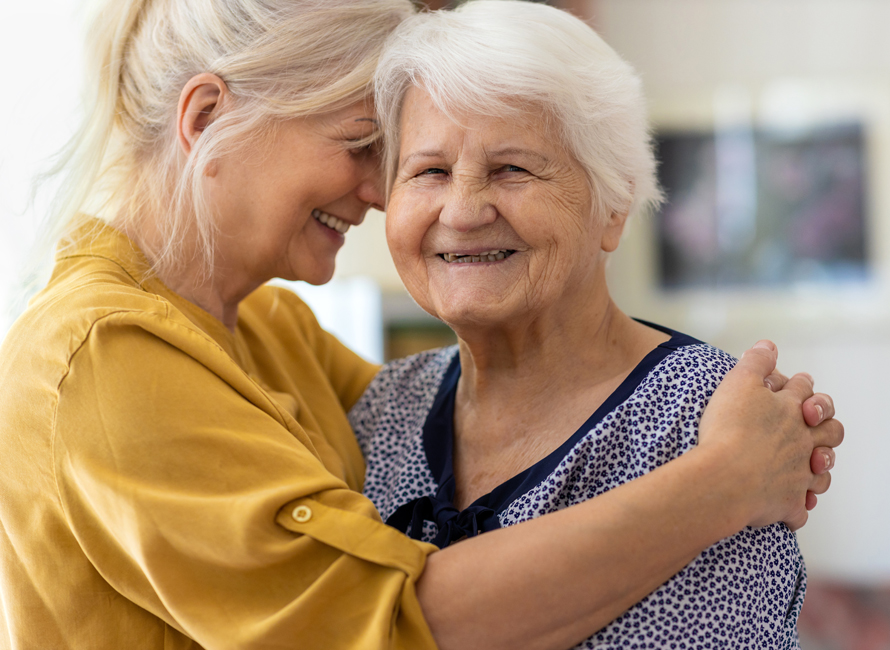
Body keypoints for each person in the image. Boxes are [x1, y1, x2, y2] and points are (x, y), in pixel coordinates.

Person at [0, 0, 841, 648]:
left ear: (614, 206)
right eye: (381, 152)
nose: (380, 191)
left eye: (514, 166)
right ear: (207, 116)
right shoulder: (100, 357)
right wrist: (722, 480)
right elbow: (387, 622)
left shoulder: (271, 330)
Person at [351, 2, 838, 648]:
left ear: (613, 205)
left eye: (512, 169)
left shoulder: (719, 420)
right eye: (430, 171)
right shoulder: (379, 411)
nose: (463, 210)